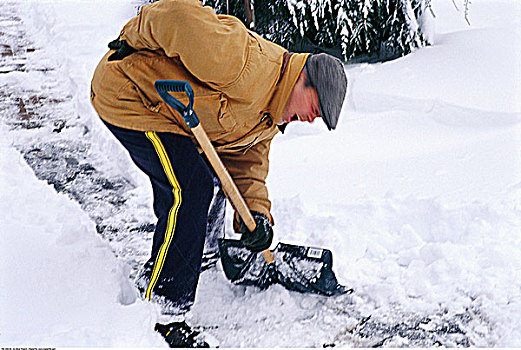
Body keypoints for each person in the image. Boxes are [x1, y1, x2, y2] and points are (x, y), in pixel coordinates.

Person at [90, 0, 347, 346]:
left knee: (210, 174)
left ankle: (201, 253)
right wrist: (130, 41)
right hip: (131, 95)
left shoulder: (271, 116)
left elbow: (247, 166)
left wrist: (257, 216)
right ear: (302, 79)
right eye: (314, 109)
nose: (311, 120)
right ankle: (165, 308)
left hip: (175, 117)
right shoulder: (243, 63)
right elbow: (177, 14)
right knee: (190, 189)